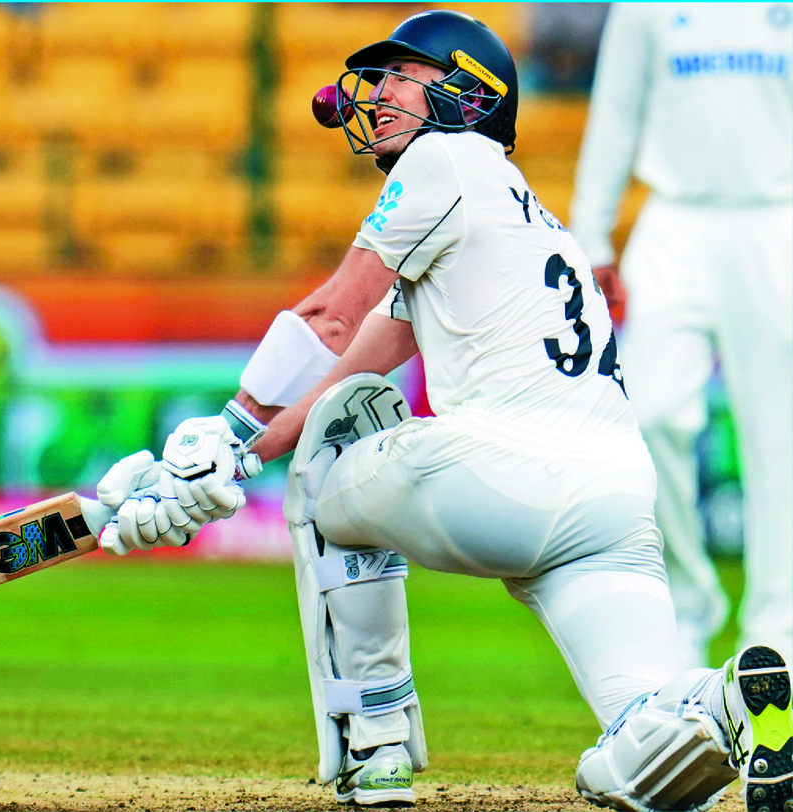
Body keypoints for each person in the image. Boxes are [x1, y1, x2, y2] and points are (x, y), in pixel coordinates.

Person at [95, 11, 793, 811]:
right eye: (381, 77)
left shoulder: (444, 160)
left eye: (403, 76)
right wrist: (237, 457)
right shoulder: (526, 219)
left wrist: (222, 436)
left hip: (504, 472)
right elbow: (354, 359)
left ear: (470, 96)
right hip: (616, 501)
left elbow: (331, 318)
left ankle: (377, 745)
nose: (380, 93)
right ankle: (732, 700)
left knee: (339, 449)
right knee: (643, 744)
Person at [569, 3, 793, 671]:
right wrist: (591, 236)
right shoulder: (645, 7)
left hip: (777, 218)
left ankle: (776, 631)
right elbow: (614, 115)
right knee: (651, 413)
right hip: (673, 223)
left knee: (778, 439)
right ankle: (688, 609)